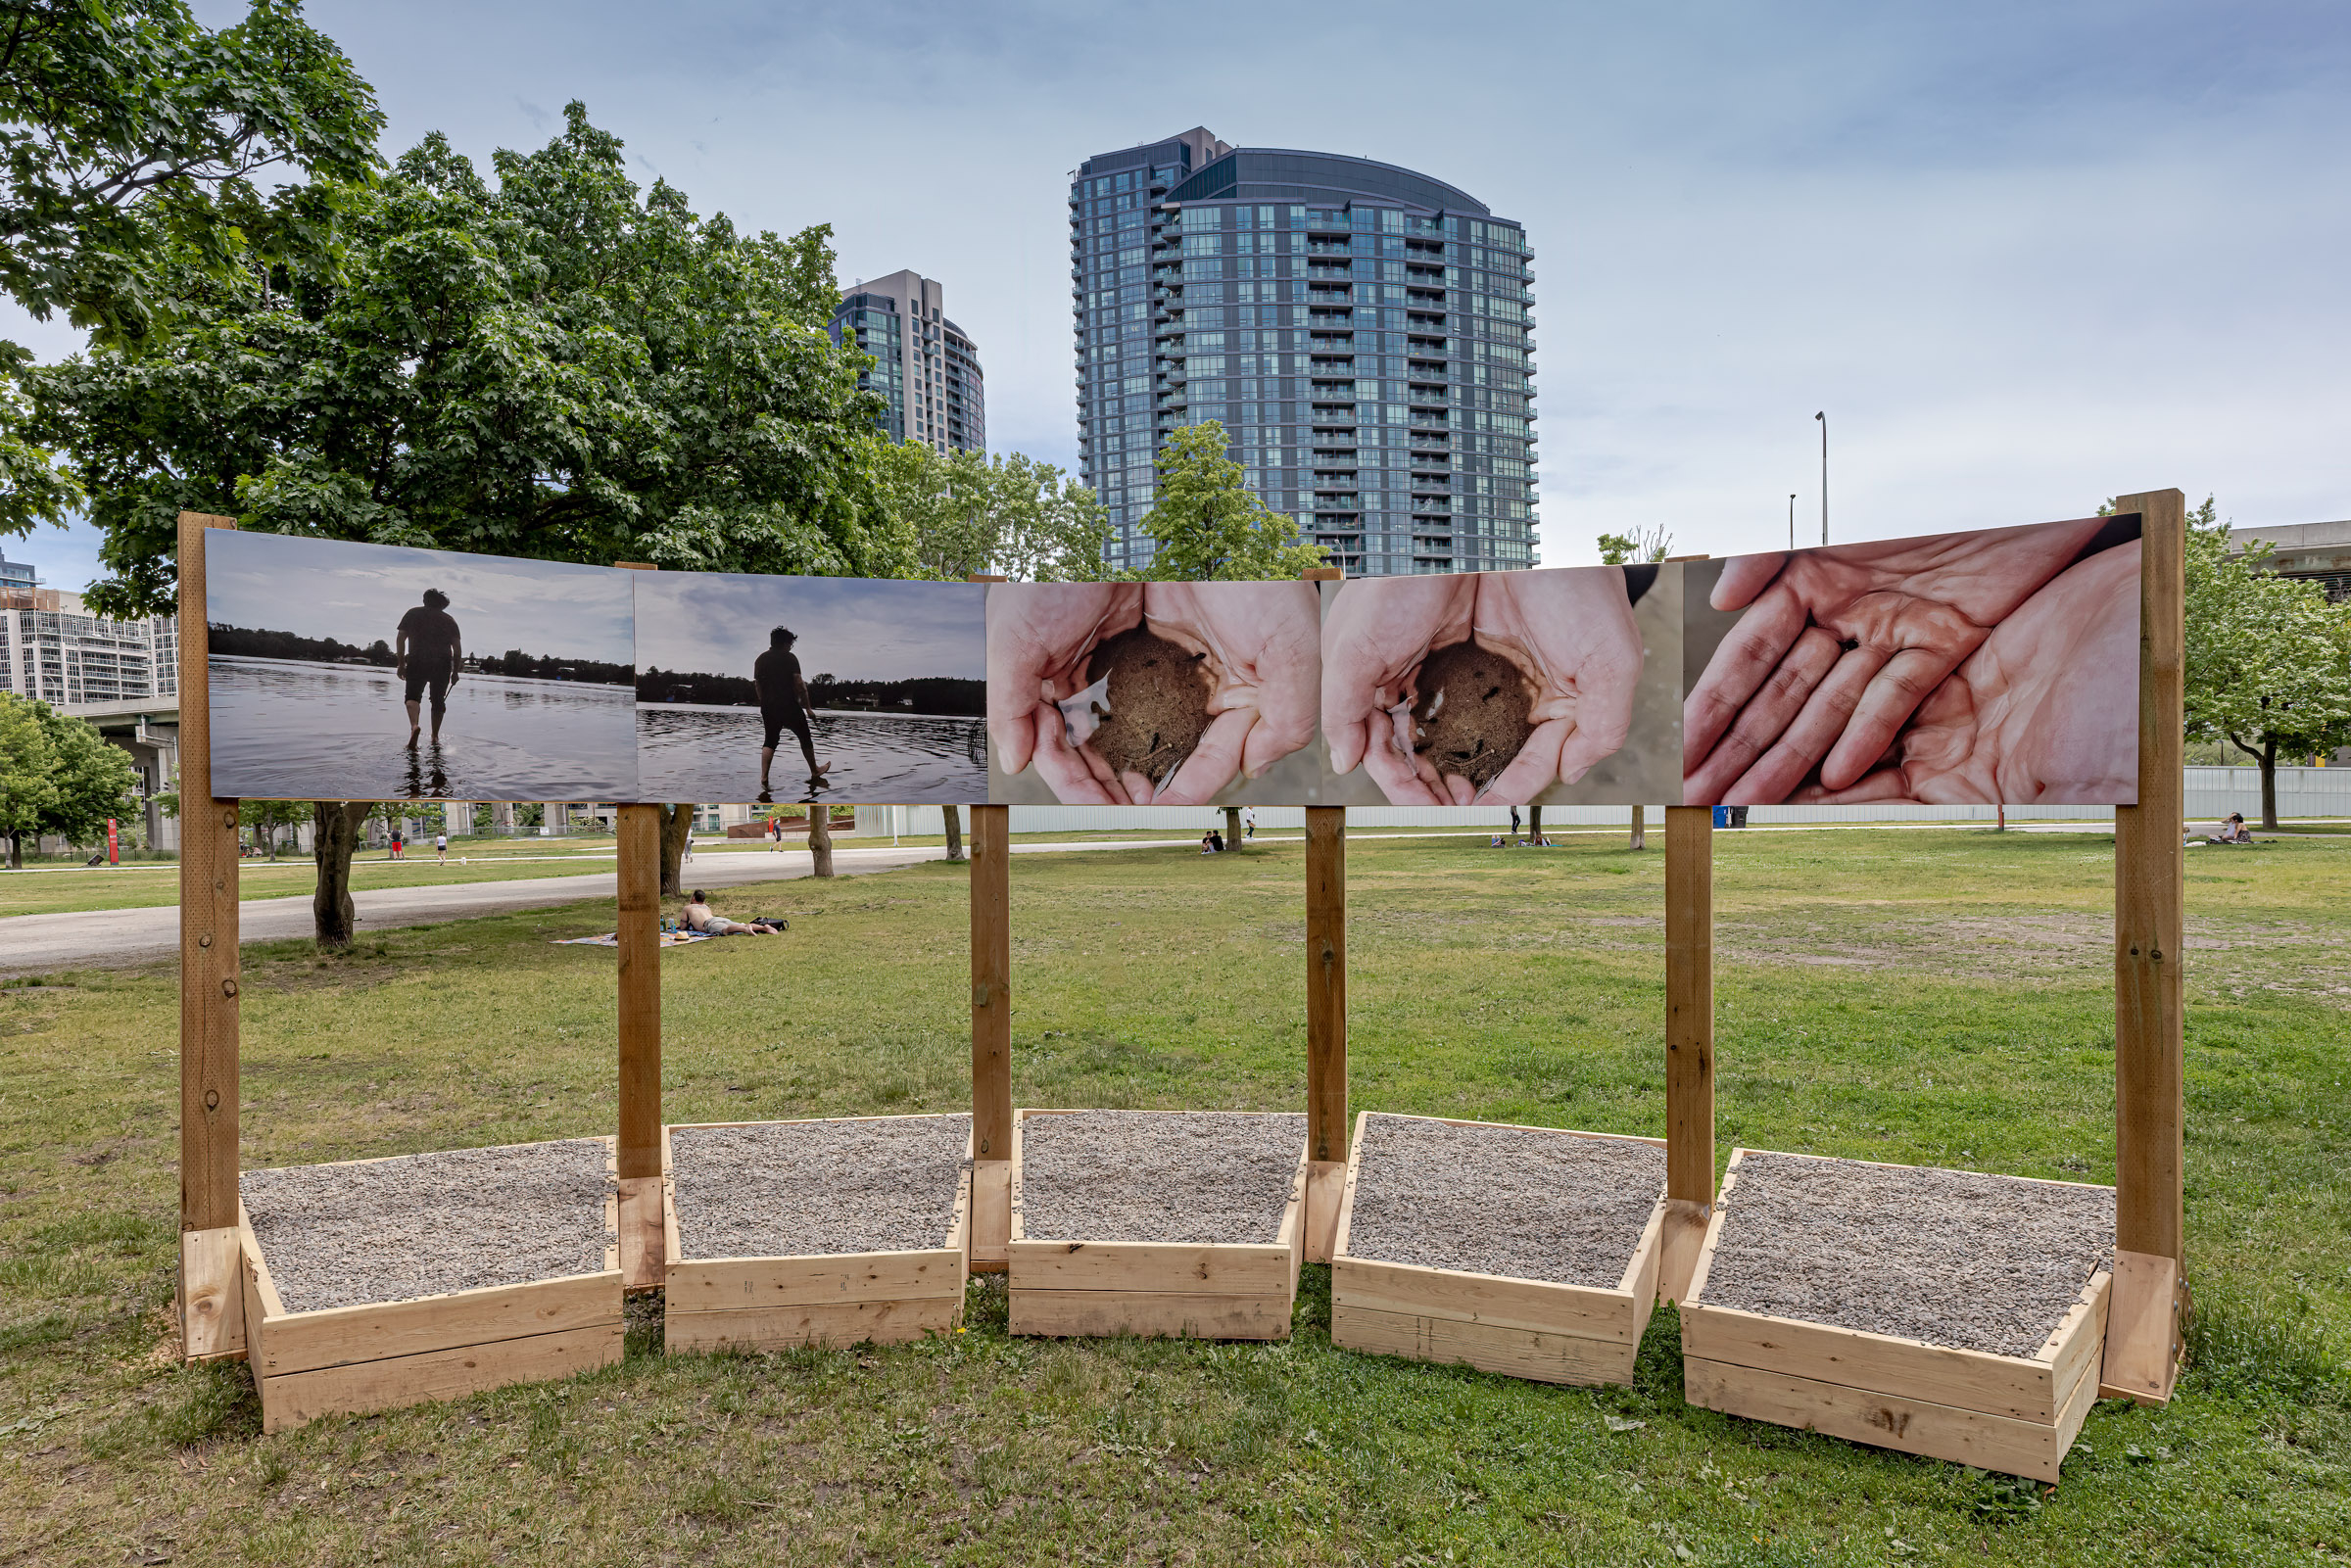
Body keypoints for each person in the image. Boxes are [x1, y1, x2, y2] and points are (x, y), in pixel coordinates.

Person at [754, 627, 828, 794]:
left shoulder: (760, 659)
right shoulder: (790, 658)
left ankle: (764, 778)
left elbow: (757, 684)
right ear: (786, 643)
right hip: (788, 705)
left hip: (768, 706)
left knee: (770, 740)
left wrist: (764, 702)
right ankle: (815, 770)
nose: (790, 647)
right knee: (804, 736)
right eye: (790, 644)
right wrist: (808, 708)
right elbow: (799, 683)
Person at [395, 588, 463, 749]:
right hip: (442, 664)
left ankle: (414, 727)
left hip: (417, 661)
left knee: (412, 697)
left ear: (425, 600)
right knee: (438, 701)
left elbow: (400, 638)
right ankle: (434, 738)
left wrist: (401, 663)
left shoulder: (412, 613)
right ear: (443, 605)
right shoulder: (450, 620)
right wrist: (455, 672)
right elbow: (457, 648)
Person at [682, 890, 780, 936]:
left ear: (693, 898)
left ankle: (746, 929)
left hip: (709, 924)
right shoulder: (706, 907)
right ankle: (764, 927)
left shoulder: (687, 907)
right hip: (718, 919)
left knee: (725, 930)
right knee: (738, 925)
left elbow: (683, 927)